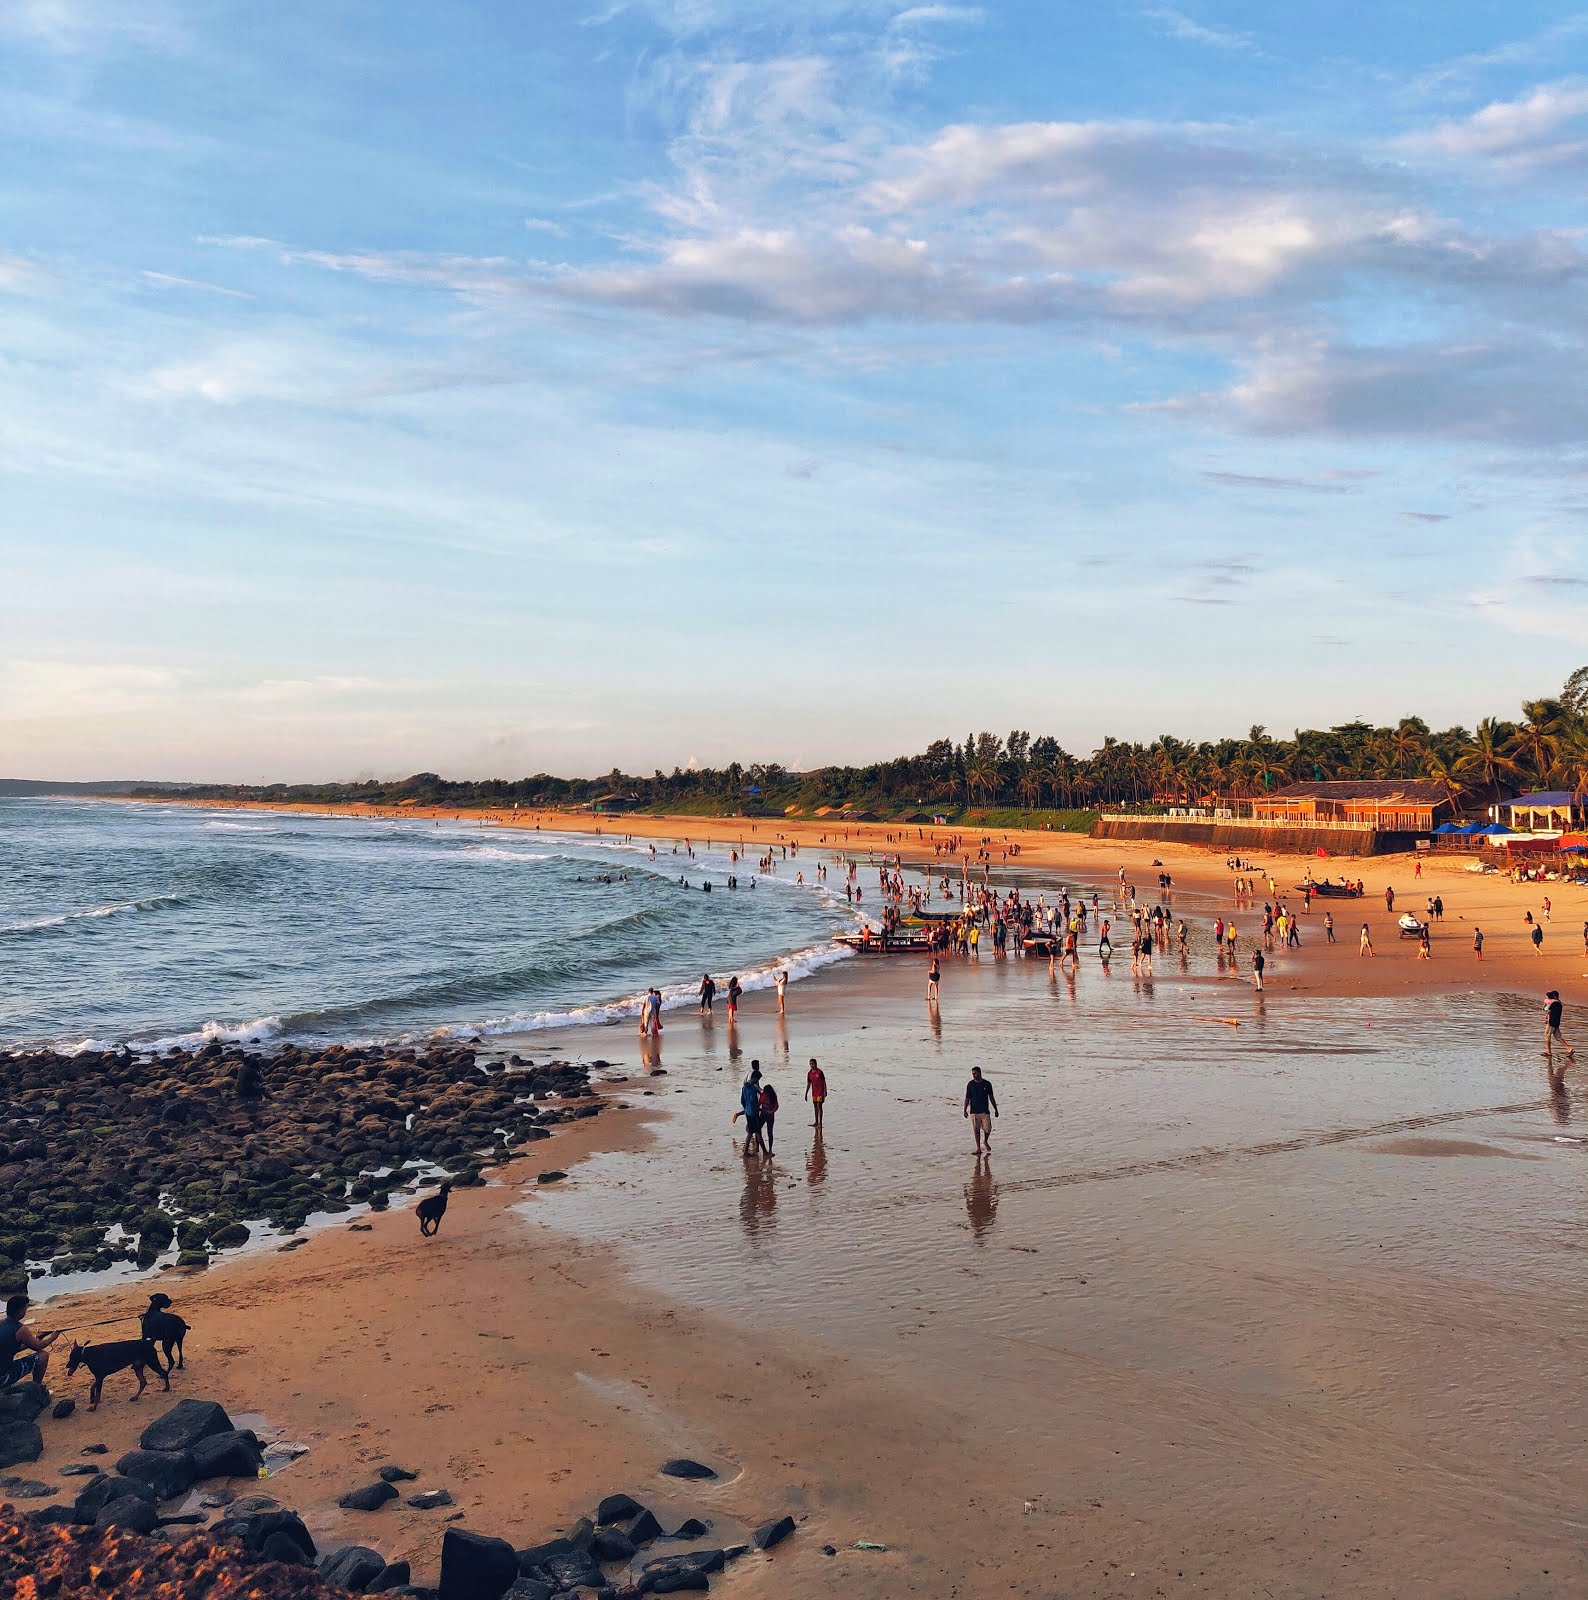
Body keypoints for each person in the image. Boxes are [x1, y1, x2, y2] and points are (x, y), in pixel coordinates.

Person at [0, 1294, 57, 1394]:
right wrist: (53, 1337)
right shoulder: (20, 1329)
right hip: (3, 1377)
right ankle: (37, 1388)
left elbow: (9, 1347)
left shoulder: (2, 1323)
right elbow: (38, 1347)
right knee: (42, 1356)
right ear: (21, 1311)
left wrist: (31, 1342)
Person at [963, 1066, 998, 1152]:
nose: (973, 1075)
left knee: (988, 1128)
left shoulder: (987, 1084)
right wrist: (964, 1109)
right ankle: (978, 1147)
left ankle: (985, 1141)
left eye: (975, 1073)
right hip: (974, 1111)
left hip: (984, 1111)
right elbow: (967, 1098)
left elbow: (991, 1097)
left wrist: (996, 1109)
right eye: (972, 1074)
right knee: (976, 1130)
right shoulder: (970, 1084)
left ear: (979, 1073)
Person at [739, 1062, 767, 1156]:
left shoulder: (744, 1088)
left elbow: (742, 1101)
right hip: (753, 1113)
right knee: (758, 1132)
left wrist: (746, 1109)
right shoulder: (754, 1089)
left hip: (748, 1112)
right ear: (755, 1079)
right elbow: (752, 1101)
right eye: (758, 1079)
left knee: (751, 1132)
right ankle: (765, 1152)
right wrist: (758, 1109)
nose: (757, 1081)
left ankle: (746, 1151)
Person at [1545, 990, 1575, 1069]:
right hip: (1556, 1022)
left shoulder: (1554, 1003)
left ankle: (1549, 1052)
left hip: (1551, 1022)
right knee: (1558, 1037)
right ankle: (1568, 1048)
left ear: (1554, 996)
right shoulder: (1559, 1003)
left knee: (1547, 1036)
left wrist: (1546, 1005)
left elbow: (1547, 1010)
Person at [758, 1076, 780, 1154]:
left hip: (770, 1115)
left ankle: (770, 1149)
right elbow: (759, 1104)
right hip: (763, 1114)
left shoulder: (773, 1096)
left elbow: (777, 1106)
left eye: (767, 1093)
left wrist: (772, 1111)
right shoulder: (762, 1095)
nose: (766, 1094)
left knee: (769, 1132)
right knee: (757, 1130)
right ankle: (757, 1147)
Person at [805, 1057, 827, 1128]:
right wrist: (806, 1093)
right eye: (810, 1064)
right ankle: (816, 1122)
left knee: (819, 1106)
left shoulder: (820, 1072)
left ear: (815, 1064)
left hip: (820, 1091)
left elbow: (824, 1082)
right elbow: (808, 1084)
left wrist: (825, 1091)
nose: (811, 1065)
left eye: (812, 1064)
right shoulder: (809, 1073)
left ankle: (820, 1123)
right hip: (814, 1092)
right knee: (815, 1107)